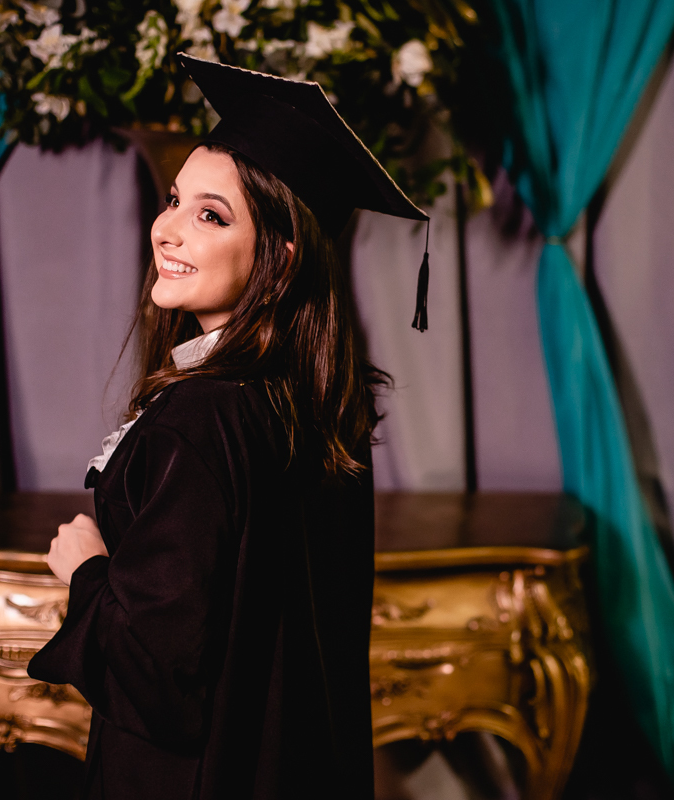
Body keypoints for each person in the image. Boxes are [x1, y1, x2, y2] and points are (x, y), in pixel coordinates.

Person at [27, 56, 429, 799]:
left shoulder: (202, 418)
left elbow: (157, 680)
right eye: (174, 201)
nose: (167, 231)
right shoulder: (318, 405)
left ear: (280, 256)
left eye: (209, 216)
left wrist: (86, 571)